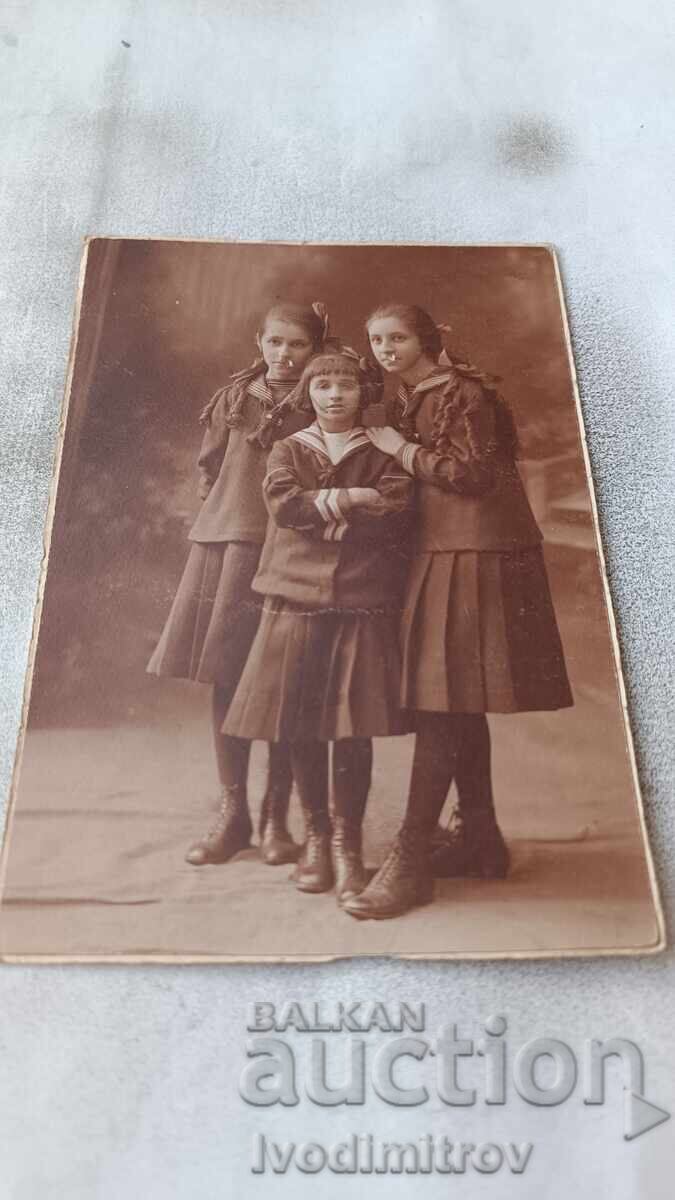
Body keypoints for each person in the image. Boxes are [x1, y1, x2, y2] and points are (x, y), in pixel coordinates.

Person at [343, 303, 573, 920]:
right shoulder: (408, 396)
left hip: (477, 553)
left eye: (397, 338)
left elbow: (473, 476)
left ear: (426, 340)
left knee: (445, 698)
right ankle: (480, 839)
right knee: (455, 697)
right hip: (441, 550)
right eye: (376, 340)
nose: (385, 349)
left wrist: (399, 450)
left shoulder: (465, 395)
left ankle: (412, 858)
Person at [222, 351, 413, 904]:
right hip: (296, 595)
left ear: (363, 394)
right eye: (324, 385)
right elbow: (286, 507)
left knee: (354, 726)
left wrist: (323, 512)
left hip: (360, 598)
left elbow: (398, 507)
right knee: (302, 723)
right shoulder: (288, 448)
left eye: (346, 386)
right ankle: (317, 838)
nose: (335, 395)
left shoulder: (380, 449)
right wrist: (353, 500)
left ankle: (349, 847)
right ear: (308, 394)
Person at [147, 301, 333, 868]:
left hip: (293, 550)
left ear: (315, 350)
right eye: (275, 342)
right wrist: (222, 517)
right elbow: (209, 466)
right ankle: (235, 813)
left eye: (298, 345)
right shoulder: (234, 397)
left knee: (279, 679)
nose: (284, 355)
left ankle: (278, 815)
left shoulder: (322, 397)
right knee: (228, 674)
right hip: (230, 547)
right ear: (259, 341)